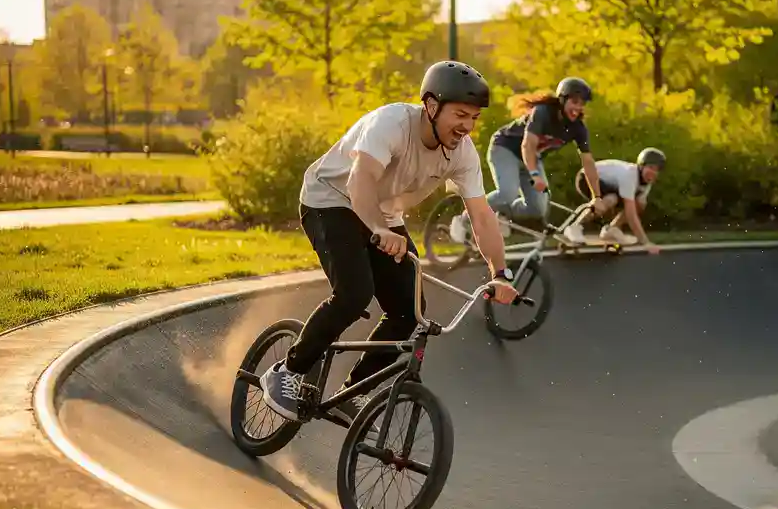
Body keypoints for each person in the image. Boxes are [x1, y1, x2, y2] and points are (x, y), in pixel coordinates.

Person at [259, 61, 520, 424]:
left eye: (474, 118)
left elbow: (481, 216)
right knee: (354, 294)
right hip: (331, 200)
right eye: (460, 114)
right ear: (431, 106)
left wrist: (501, 273)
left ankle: (355, 389)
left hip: (383, 217)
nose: (467, 126)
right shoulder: (392, 124)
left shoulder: (462, 154)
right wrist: (376, 229)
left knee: (409, 312)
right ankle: (286, 371)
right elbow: (360, 179)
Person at [449, 76, 604, 243]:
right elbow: (527, 146)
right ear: (562, 99)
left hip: (531, 159)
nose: (578, 108)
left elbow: (588, 162)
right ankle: (463, 220)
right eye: (574, 102)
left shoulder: (578, 128)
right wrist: (535, 174)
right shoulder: (543, 113)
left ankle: (502, 215)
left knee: (537, 209)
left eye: (582, 104)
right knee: (508, 193)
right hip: (505, 148)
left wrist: (597, 197)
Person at [560, 148, 666, 254]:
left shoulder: (647, 182)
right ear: (641, 166)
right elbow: (631, 214)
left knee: (641, 203)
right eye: (651, 168)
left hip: (608, 185)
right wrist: (645, 242)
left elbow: (637, 206)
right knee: (611, 199)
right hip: (587, 177)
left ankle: (611, 230)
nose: (653, 172)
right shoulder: (630, 175)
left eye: (657, 170)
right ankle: (573, 227)